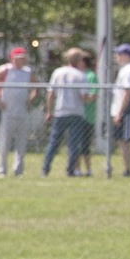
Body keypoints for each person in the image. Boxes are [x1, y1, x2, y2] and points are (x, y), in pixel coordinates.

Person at [0, 46, 36, 177]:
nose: (23, 60)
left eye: (24, 58)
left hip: (22, 112)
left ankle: (19, 171)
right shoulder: (5, 70)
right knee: (4, 143)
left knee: (21, 143)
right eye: (20, 58)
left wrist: (30, 99)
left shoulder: (27, 72)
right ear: (13, 59)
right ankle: (2, 170)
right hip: (8, 112)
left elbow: (36, 86)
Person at [42, 48, 91, 177]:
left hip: (60, 111)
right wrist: (91, 97)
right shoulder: (81, 75)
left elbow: (51, 93)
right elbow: (83, 97)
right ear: (79, 60)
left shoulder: (57, 72)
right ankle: (70, 170)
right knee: (73, 143)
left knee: (53, 142)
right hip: (76, 113)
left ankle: (45, 169)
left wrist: (49, 110)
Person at [110, 43, 130, 177]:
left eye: (119, 54)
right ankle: (126, 168)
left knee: (124, 141)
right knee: (120, 141)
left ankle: (128, 170)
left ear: (126, 55)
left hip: (126, 111)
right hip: (120, 110)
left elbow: (128, 92)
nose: (116, 56)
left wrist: (120, 112)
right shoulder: (125, 69)